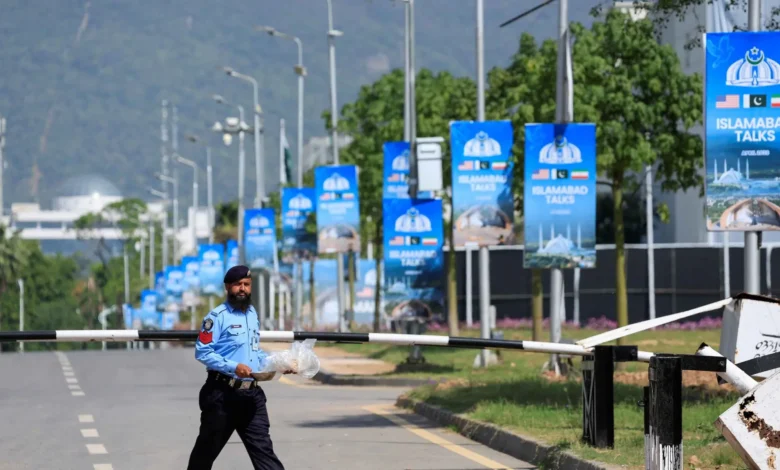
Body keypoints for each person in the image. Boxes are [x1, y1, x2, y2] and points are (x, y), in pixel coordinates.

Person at [187, 265, 292, 470]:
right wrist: (234, 367)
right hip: (222, 396)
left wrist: (279, 364)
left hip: (251, 397)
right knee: (204, 454)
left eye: (246, 284)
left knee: (265, 454)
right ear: (228, 287)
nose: (242, 289)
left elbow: (255, 353)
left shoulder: (251, 314)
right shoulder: (216, 317)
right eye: (237, 285)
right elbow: (203, 352)